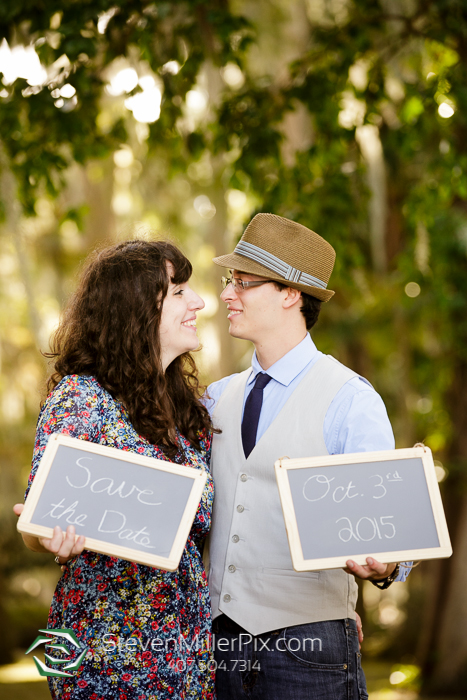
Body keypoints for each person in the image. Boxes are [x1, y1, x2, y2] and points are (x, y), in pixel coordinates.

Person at [205, 213, 411, 700]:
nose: (226, 294)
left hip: (311, 654)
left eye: (243, 282)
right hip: (220, 644)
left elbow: (390, 532)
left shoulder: (350, 398)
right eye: (229, 280)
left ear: (291, 294)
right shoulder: (214, 398)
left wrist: (383, 566)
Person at [14, 240, 216, 699]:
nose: (199, 301)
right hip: (107, 652)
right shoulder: (81, 400)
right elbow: (37, 519)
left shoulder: (185, 414)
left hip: (185, 653)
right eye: (180, 291)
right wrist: (51, 541)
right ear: (138, 309)